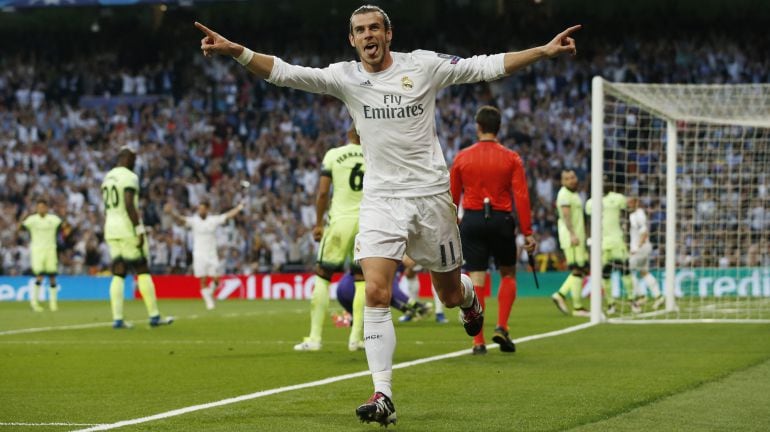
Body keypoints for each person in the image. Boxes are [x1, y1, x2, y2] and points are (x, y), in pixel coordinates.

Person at [196, 6, 579, 425]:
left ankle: (469, 299)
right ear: (352, 40)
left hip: (431, 199)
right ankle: (384, 394)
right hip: (381, 202)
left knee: (448, 295)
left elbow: (484, 67)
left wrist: (542, 51)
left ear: (388, 33)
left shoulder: (424, 66)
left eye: (374, 28)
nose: (368, 36)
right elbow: (287, 73)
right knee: (376, 292)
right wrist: (237, 51)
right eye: (360, 31)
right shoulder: (346, 77)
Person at [450, 105, 537, 355]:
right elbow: (521, 195)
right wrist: (528, 232)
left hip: (473, 220)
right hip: (501, 220)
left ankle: (478, 342)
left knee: (476, 278)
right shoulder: (511, 157)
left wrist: (453, 222)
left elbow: (452, 197)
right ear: (499, 128)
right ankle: (502, 325)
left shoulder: (462, 157)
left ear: (478, 127)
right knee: (508, 274)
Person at [293, 125, 368, 353]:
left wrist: (318, 223)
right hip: (366, 222)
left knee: (323, 276)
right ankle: (356, 339)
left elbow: (324, 192)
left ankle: (315, 338)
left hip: (340, 222)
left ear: (348, 134)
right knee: (362, 280)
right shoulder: (374, 155)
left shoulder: (334, 155)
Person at [102, 147, 173, 329]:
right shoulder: (129, 177)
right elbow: (128, 204)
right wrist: (139, 229)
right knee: (142, 269)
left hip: (110, 227)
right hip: (126, 228)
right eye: (133, 160)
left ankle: (117, 319)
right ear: (127, 159)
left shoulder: (107, 177)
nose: (135, 164)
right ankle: (154, 316)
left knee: (118, 272)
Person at [165, 200, 244, 310]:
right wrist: (172, 212)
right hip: (199, 254)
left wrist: (239, 208)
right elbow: (181, 220)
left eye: (202, 209)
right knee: (203, 279)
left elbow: (227, 215)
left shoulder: (213, 220)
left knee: (217, 278)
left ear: (207, 209)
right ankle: (208, 302)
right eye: (199, 208)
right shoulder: (194, 221)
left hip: (212, 254)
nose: (200, 211)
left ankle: (209, 293)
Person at [585, 186, 640, 314]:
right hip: (602, 243)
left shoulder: (616, 198)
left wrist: (627, 232)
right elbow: (588, 220)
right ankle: (611, 304)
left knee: (625, 272)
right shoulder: (591, 202)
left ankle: (632, 301)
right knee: (605, 274)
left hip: (617, 241)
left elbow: (629, 209)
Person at [551, 170, 590, 317]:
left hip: (578, 237)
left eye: (573, 177)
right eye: (567, 178)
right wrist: (573, 234)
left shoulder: (574, 194)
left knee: (582, 269)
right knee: (578, 269)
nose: (571, 180)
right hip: (571, 238)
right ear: (563, 182)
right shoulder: (564, 194)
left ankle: (566, 298)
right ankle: (573, 303)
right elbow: (566, 216)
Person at [336, 268, 432, 321]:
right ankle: (356, 341)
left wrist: (404, 310)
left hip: (340, 290)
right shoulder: (389, 265)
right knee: (373, 320)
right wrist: (416, 305)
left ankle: (352, 325)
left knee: (360, 320)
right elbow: (394, 292)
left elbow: (387, 296)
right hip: (353, 289)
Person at [19, 199, 63, 312]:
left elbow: (65, 227)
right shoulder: (32, 220)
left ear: (47, 208)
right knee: (39, 275)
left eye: (43, 207)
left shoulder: (53, 219)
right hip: (37, 251)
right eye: (39, 207)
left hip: (50, 250)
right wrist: (22, 219)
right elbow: (20, 228)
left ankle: (53, 303)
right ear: (36, 208)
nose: (41, 209)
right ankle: (34, 302)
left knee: (52, 276)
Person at [628, 197, 664, 310]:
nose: (628, 204)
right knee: (644, 272)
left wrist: (636, 248)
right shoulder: (637, 214)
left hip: (640, 248)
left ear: (637, 202)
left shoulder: (637, 215)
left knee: (628, 272)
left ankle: (641, 296)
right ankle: (658, 296)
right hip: (645, 247)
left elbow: (644, 233)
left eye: (631, 202)